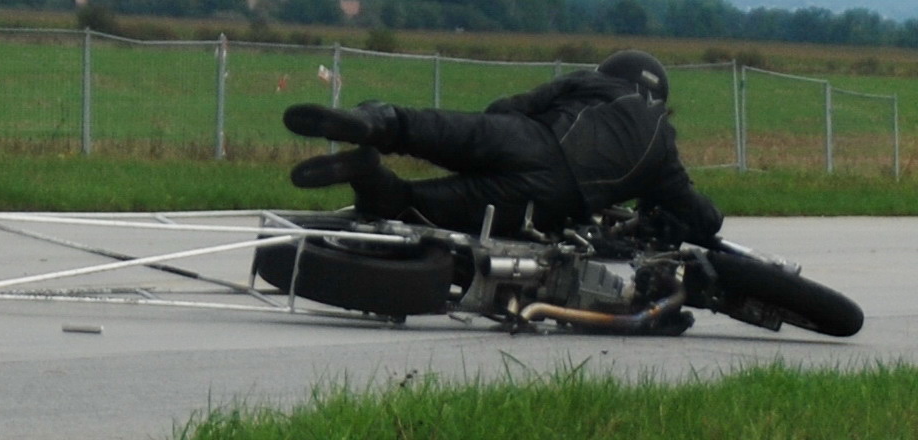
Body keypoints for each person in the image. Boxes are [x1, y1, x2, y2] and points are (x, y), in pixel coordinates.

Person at [281, 49, 723, 245]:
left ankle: (369, 123)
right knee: (414, 205)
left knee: (415, 126)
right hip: (551, 198)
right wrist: (697, 218)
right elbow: (700, 214)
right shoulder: (663, 147)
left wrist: (490, 136)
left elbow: (512, 106)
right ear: (660, 98)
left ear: (614, 72)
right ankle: (368, 175)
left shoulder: (594, 83)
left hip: (523, 136)